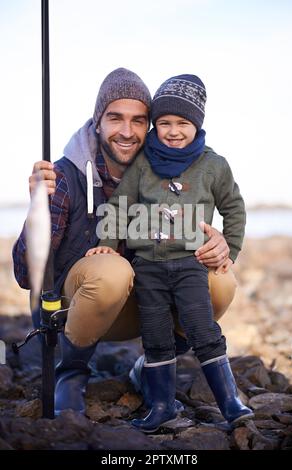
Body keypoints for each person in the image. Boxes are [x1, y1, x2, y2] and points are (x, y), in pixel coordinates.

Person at [12, 68, 236, 417]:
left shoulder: (170, 172)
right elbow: (27, 275)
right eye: (115, 118)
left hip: (146, 302)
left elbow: (208, 224)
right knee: (111, 270)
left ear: (150, 126)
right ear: (97, 121)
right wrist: (37, 209)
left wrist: (219, 243)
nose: (127, 132)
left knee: (219, 280)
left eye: (139, 120)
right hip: (76, 306)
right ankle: (70, 374)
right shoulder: (64, 175)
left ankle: (153, 366)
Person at [87, 74, 254, 432]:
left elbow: (234, 209)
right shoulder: (144, 163)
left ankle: (230, 403)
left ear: (197, 125)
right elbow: (119, 204)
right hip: (149, 268)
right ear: (155, 126)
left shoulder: (213, 165)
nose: (173, 131)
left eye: (183, 123)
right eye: (164, 123)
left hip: (191, 265)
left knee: (203, 331)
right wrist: (109, 240)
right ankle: (162, 406)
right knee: (157, 338)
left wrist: (231, 250)